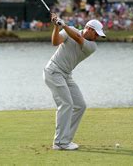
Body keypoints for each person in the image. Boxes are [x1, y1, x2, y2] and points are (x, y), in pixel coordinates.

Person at [44, 13, 106, 151]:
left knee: (80, 105)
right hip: (53, 71)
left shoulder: (92, 46)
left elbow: (77, 37)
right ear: (89, 29)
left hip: (66, 75)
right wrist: (56, 27)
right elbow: (55, 42)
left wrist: (63, 25)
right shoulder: (69, 29)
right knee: (66, 103)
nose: (97, 38)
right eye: (96, 34)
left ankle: (66, 139)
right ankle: (60, 142)